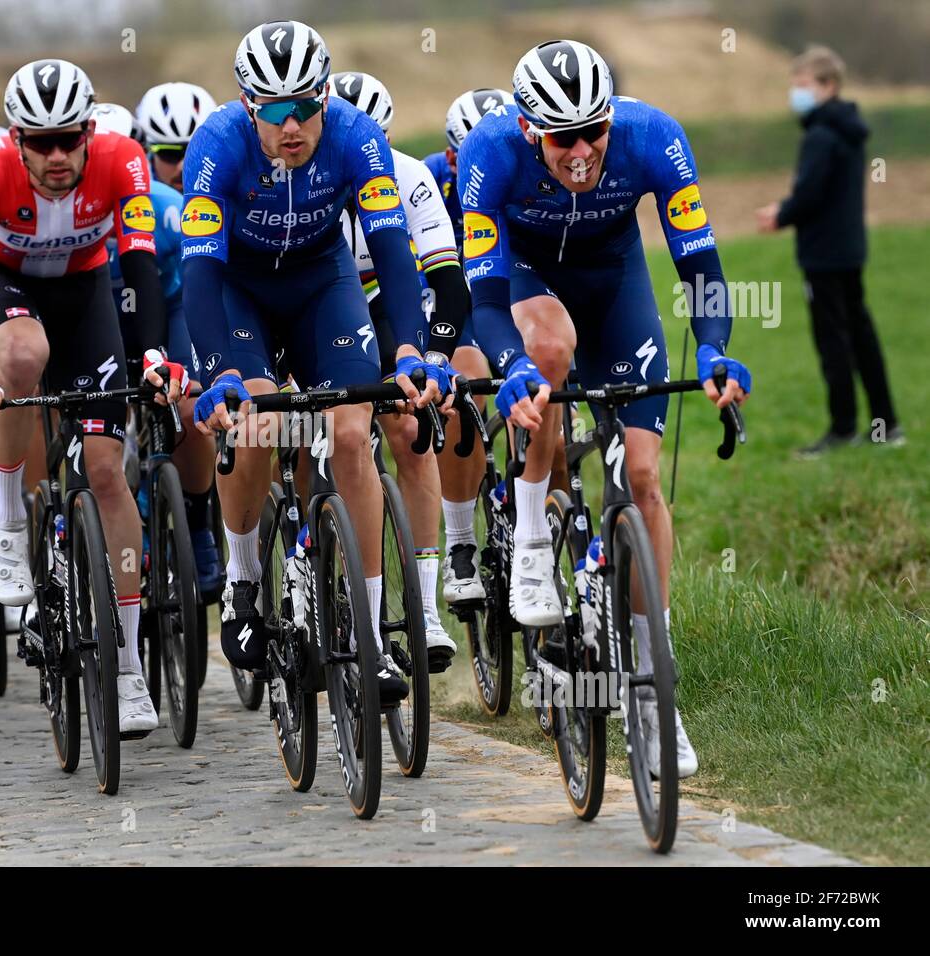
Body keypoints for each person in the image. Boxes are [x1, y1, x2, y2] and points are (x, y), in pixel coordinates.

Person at [460, 39, 753, 777]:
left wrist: (714, 348)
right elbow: (486, 297)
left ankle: (656, 690)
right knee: (550, 350)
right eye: (564, 138)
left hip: (616, 282)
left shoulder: (655, 136)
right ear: (531, 129)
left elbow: (700, 265)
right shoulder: (489, 153)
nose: (584, 151)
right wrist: (514, 365)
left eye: (595, 131)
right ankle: (531, 536)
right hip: (528, 280)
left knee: (644, 480)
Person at [183, 20, 446, 701]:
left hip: (322, 283)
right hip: (241, 289)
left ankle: (369, 632)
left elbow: (392, 250)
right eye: (274, 111)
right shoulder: (215, 147)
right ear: (248, 106)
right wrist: (221, 373)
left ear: (326, 98)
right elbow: (202, 275)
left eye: (306, 107)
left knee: (353, 432)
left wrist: (413, 345)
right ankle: (243, 582)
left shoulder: (359, 137)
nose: (292, 125)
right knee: (256, 427)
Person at [0, 59, 182, 735]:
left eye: (68, 139)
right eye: (40, 142)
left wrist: (153, 355)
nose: (56, 156)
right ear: (16, 138)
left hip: (87, 299)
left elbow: (138, 267)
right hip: (13, 293)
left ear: (88, 131)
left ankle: (130, 666)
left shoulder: (123, 160)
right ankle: (9, 527)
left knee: (108, 471)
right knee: (21, 360)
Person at [329, 70, 467, 667]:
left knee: (412, 432)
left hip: (385, 299)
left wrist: (434, 356)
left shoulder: (410, 179)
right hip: (316, 299)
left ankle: (426, 609)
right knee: (312, 428)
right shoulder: (306, 179)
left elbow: (448, 284)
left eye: (375, 143)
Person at [755, 45, 901, 457]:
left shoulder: (820, 135)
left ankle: (843, 429)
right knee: (862, 335)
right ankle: (886, 424)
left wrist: (779, 214)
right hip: (850, 248)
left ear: (829, 85)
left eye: (803, 85)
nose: (795, 94)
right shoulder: (849, 128)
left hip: (823, 254)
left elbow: (810, 194)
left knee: (833, 341)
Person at [128, 82, 222, 596]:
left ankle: (200, 523)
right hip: (122, 314)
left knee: (190, 406)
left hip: (175, 304)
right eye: (168, 155)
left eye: (192, 152)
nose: (183, 168)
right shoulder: (148, 201)